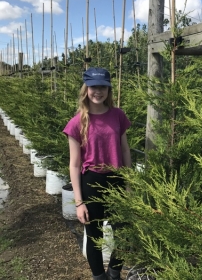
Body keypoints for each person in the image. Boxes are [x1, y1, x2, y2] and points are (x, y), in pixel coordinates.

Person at [63, 67, 131, 280]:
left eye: (103, 86)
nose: (98, 91)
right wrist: (79, 202)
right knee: (94, 235)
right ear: (86, 89)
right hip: (92, 182)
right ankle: (99, 277)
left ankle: (114, 274)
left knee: (124, 233)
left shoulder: (118, 115)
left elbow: (125, 149)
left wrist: (129, 183)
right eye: (93, 86)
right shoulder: (76, 123)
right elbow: (74, 165)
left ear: (109, 90)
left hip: (117, 180)